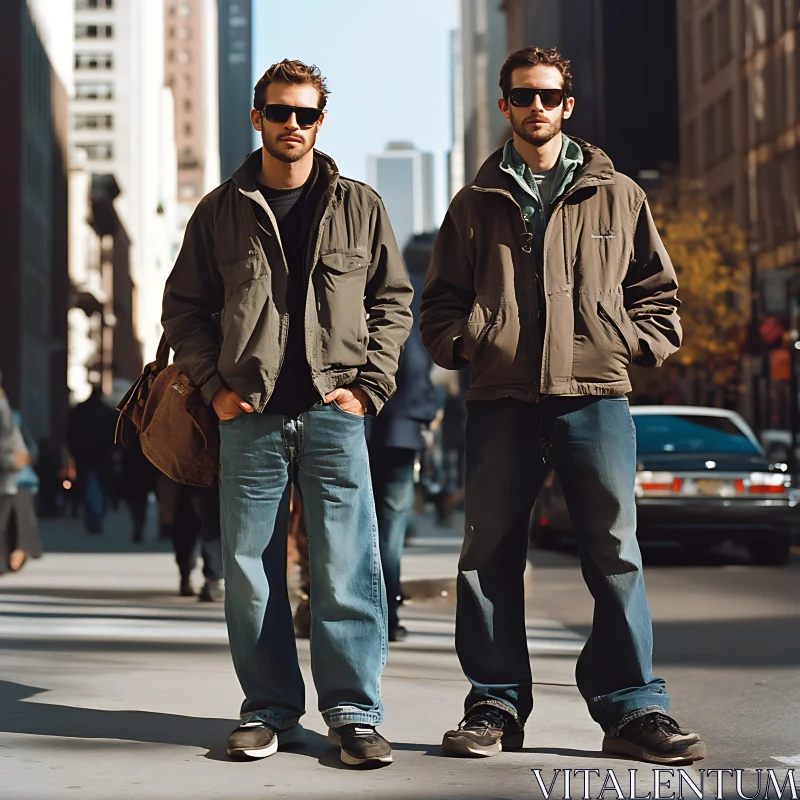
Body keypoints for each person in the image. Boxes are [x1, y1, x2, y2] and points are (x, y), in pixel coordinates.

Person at [420, 47, 706, 764]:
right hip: (501, 398)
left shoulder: (619, 194)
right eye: (523, 96)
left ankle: (633, 708)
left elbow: (659, 296)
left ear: (568, 105)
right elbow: (439, 306)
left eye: (549, 96)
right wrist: (469, 345)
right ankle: (494, 704)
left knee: (615, 551)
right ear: (505, 105)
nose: (536, 107)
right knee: (487, 555)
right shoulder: (475, 201)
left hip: (595, 397)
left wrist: (630, 347)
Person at [162, 59, 412, 767]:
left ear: (321, 121)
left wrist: (370, 385)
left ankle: (355, 714)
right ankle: (269, 710)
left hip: (337, 414)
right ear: (257, 117)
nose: (292, 125)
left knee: (347, 568)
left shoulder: (359, 206)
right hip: (252, 415)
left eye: (305, 114)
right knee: (250, 572)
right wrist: (214, 389)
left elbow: (393, 301)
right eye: (279, 112)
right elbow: (184, 308)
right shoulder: (220, 210)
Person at [366, 235, 438, 642]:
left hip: (356, 422)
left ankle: (361, 613)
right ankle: (387, 616)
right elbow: (413, 366)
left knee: (349, 525)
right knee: (390, 529)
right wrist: (425, 413)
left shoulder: (362, 284)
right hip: (400, 426)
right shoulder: (415, 294)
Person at [157, 474, 224, 602]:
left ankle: (198, 576)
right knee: (206, 526)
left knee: (189, 528)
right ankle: (212, 577)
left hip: (191, 474)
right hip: (206, 475)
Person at [0, 380, 41, 574]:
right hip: (15, 478)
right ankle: (15, 552)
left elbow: (29, 449)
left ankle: (18, 551)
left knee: (19, 518)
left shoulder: (12, 417)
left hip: (16, 478)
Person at [66, 386, 118, 534]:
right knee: (101, 487)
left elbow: (70, 433)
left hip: (83, 455)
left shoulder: (78, 411)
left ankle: (92, 517)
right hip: (103, 455)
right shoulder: (108, 412)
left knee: (88, 486)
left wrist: (73, 452)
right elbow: (116, 435)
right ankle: (97, 517)